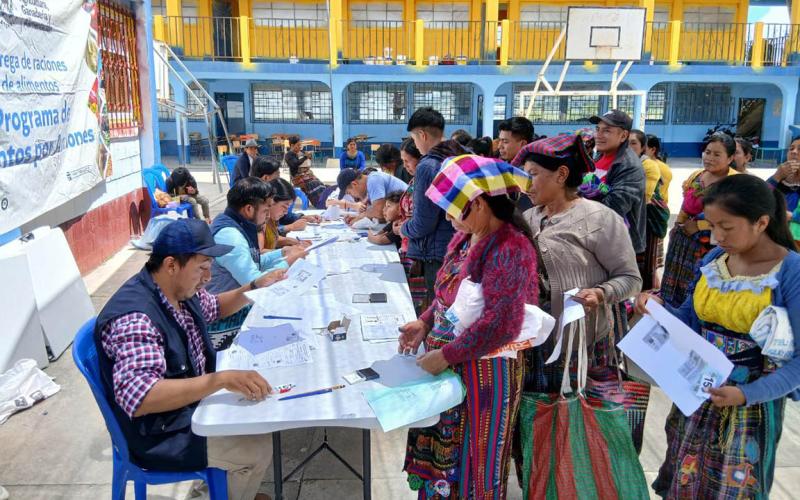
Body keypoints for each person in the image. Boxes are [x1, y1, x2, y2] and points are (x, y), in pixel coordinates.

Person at [95, 218, 286, 500]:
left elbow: (215, 307)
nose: (208, 278)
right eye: (202, 268)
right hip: (160, 432)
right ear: (171, 265)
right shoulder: (136, 317)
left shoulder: (179, 289)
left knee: (258, 417)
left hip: (187, 409)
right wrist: (220, 380)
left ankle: (216, 491)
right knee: (253, 448)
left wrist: (255, 285)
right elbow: (142, 398)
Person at [635, 175, 800, 499]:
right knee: (686, 477)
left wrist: (747, 394)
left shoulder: (790, 272)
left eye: (727, 227)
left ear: (761, 222)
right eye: (712, 226)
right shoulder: (715, 261)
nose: (716, 236)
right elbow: (688, 319)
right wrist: (657, 308)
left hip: (749, 404)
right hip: (698, 391)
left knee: (733, 485)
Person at [399, 155, 538, 499]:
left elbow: (502, 324)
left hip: (484, 376)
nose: (447, 218)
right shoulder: (465, 238)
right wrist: (425, 321)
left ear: (476, 203)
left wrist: (446, 355)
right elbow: (447, 294)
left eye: (451, 210)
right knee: (443, 454)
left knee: (477, 457)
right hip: (450, 366)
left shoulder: (510, 247)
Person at [515, 134, 642, 377]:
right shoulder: (529, 217)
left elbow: (630, 278)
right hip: (537, 342)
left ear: (561, 175)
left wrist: (600, 293)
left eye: (532, 174)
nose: (525, 184)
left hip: (582, 345)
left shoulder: (600, 219)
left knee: (575, 400)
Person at [206, 178, 307, 339]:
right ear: (249, 209)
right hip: (226, 322)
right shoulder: (230, 237)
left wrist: (283, 252)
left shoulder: (237, 224)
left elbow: (255, 262)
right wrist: (288, 262)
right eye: (265, 211)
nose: (267, 217)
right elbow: (256, 285)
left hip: (237, 308)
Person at [660, 133, 739, 308]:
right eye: (707, 152)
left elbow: (735, 220)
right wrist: (677, 226)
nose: (709, 158)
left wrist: (698, 226)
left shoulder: (734, 183)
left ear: (730, 158)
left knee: (698, 289)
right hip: (683, 242)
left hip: (710, 247)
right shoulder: (697, 176)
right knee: (673, 286)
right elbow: (685, 206)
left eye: (717, 154)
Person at [399, 107, 467, 304]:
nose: (415, 144)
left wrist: (403, 229)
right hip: (461, 246)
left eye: (414, 138)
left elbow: (423, 223)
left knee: (439, 307)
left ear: (422, 135)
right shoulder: (461, 156)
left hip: (437, 254)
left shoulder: (427, 166)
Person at [586, 109, 647, 254]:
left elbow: (615, 208)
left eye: (606, 131)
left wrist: (574, 203)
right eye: (597, 129)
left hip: (617, 245)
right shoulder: (599, 156)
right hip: (594, 235)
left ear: (623, 136)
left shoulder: (630, 166)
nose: (598, 135)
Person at [393, 138, 429, 315]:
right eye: (403, 161)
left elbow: (422, 220)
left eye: (408, 161)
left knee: (416, 304)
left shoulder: (423, 183)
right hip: (408, 244)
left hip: (418, 249)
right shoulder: (415, 181)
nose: (405, 165)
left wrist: (403, 228)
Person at [630, 129, 666, 290]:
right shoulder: (622, 162)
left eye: (633, 143)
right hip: (633, 217)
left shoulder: (649, 165)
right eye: (626, 143)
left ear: (643, 147)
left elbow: (644, 196)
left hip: (647, 219)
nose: (628, 147)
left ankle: (645, 295)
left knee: (646, 261)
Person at [251, 158, 321, 234]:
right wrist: (289, 227)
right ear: (266, 178)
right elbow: (261, 234)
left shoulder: (268, 195)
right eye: (277, 175)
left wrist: (302, 217)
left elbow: (283, 216)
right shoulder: (255, 202)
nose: (280, 179)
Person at [336, 168, 407, 224]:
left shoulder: (373, 180)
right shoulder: (371, 181)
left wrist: (359, 218)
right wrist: (358, 217)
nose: (352, 196)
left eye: (349, 193)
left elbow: (379, 213)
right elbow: (378, 214)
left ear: (354, 184)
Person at [261, 178, 313, 251]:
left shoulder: (272, 219)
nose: (285, 212)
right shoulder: (259, 222)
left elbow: (273, 239)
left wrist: (295, 242)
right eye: (284, 206)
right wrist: (285, 252)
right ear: (271, 201)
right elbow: (258, 253)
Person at [767, 135, 800, 246]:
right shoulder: (778, 179)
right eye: (791, 148)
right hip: (774, 240)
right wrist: (776, 177)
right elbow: (757, 199)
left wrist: (792, 216)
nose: (794, 152)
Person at [284, 135, 326, 208]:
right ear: (292, 145)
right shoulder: (289, 155)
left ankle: (322, 200)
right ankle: (317, 202)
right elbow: (295, 164)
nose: (300, 147)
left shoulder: (299, 153)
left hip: (306, 175)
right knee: (312, 183)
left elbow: (306, 160)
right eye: (298, 145)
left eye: (300, 145)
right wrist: (305, 157)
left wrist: (308, 157)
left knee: (319, 183)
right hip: (297, 177)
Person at [645, 134, 672, 205]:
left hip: (653, 206)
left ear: (653, 149)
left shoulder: (661, 168)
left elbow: (659, 192)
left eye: (643, 148)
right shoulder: (664, 167)